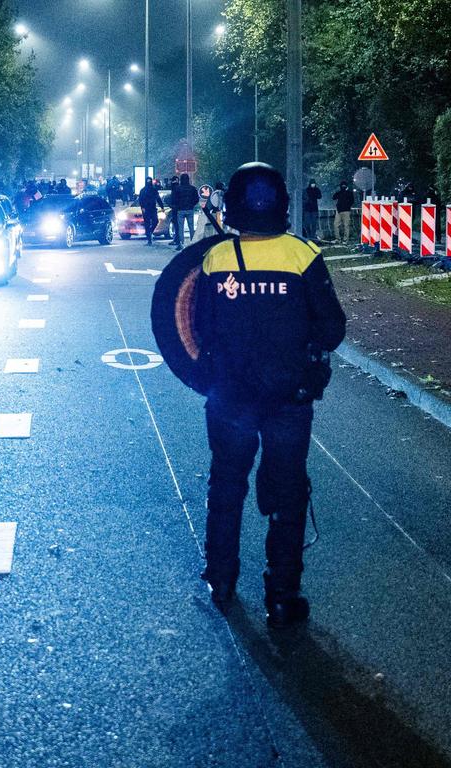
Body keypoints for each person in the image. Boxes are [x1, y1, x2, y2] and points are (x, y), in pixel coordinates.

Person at [194, 162, 346, 627]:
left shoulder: (216, 259)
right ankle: (282, 594)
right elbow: (333, 327)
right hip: (289, 399)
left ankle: (221, 580)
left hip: (231, 400)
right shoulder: (302, 256)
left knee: (226, 486)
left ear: (234, 202)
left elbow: (199, 329)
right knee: (287, 492)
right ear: (281, 200)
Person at [172, 173, 200, 249]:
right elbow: (197, 199)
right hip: (190, 209)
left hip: (180, 210)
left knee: (180, 227)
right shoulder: (193, 188)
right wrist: (192, 205)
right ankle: (193, 242)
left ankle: (181, 243)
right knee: (191, 227)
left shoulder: (177, 188)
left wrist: (177, 206)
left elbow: (174, 199)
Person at [138, 177, 164, 245]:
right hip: (146, 209)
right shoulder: (143, 190)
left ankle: (150, 232)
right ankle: (149, 238)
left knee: (155, 221)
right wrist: (142, 207)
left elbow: (158, 199)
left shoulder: (154, 190)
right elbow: (140, 200)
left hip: (153, 208)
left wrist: (162, 207)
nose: (149, 182)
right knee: (147, 223)